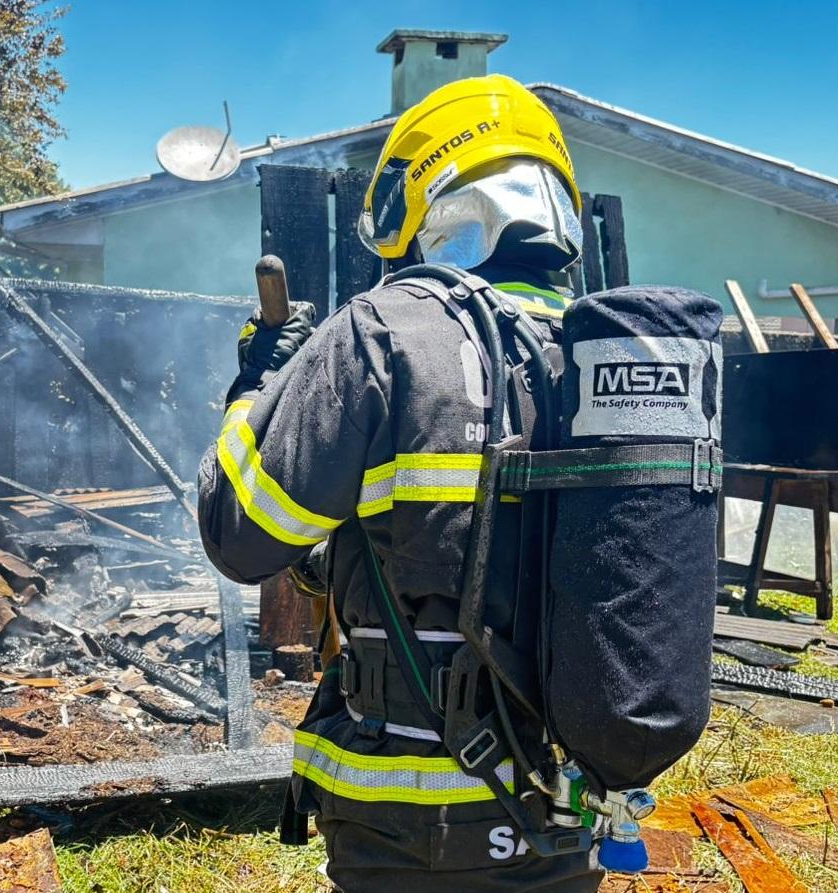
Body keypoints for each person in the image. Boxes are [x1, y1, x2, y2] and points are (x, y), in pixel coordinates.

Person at [197, 74, 604, 892]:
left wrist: (256, 386)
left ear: (430, 201)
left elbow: (238, 531)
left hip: (414, 817)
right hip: (569, 800)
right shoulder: (608, 353)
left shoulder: (384, 331)